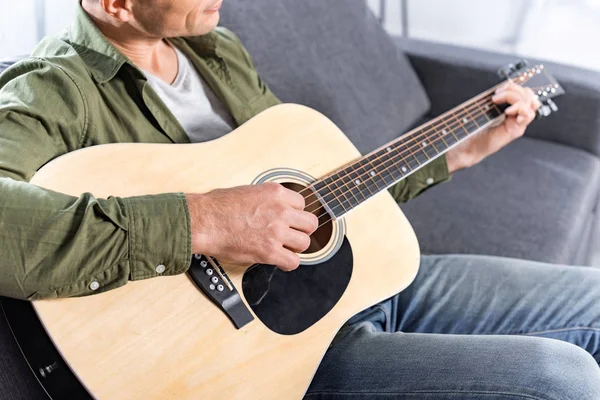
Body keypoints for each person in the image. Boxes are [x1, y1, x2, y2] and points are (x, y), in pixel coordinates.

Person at [0, 0, 599, 398]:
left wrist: (462, 149)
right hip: (272, 358)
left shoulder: (216, 50)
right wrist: (205, 220)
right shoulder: (54, 89)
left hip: (364, 282)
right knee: (562, 380)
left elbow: (317, 189)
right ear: (115, 5)